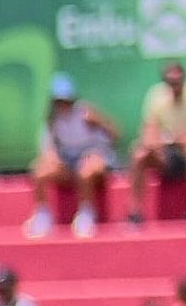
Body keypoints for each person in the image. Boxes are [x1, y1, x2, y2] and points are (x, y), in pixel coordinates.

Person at [28, 77, 120, 239]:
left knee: (86, 169)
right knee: (39, 170)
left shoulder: (87, 113)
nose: (63, 105)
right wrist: (53, 159)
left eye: (66, 100)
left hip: (94, 161)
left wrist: (100, 123)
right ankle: (42, 215)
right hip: (69, 165)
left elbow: (115, 135)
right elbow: (47, 151)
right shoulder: (52, 121)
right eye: (59, 101)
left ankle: (86, 213)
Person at [132, 59, 186, 223]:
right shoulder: (155, 96)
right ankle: (135, 213)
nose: (174, 82)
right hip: (168, 156)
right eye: (170, 79)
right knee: (140, 154)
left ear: (184, 77)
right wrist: (161, 143)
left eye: (177, 77)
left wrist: (170, 139)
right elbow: (149, 134)